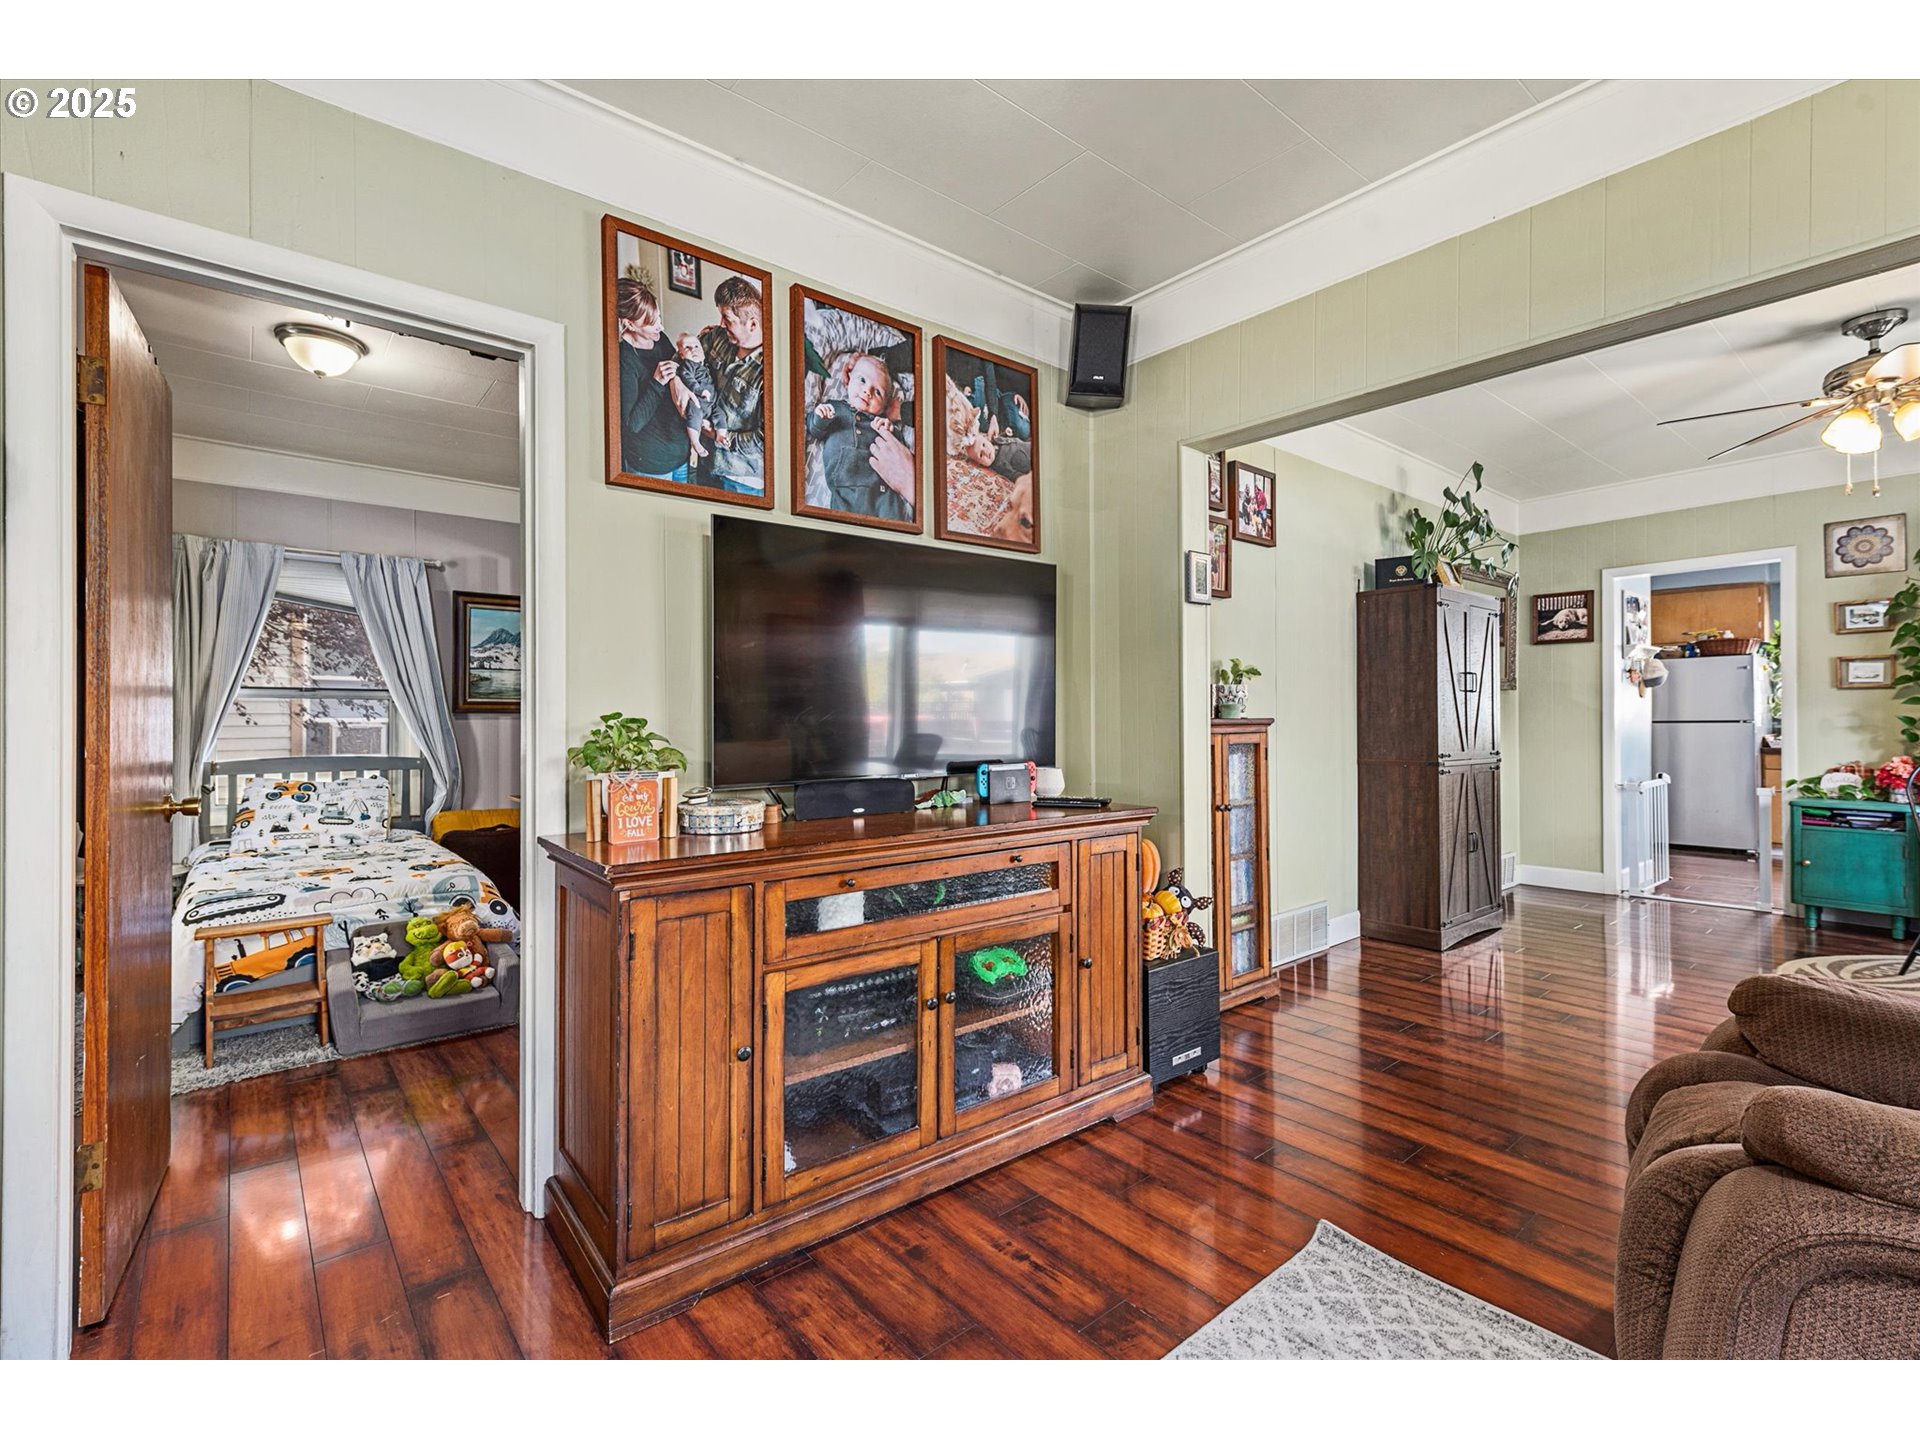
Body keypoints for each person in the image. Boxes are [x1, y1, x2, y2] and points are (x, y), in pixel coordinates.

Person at [809, 352, 913, 521]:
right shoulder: (834, 408)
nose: (868, 391)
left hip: (882, 491)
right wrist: (820, 417)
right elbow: (814, 430)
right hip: (844, 486)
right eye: (862, 380)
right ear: (848, 378)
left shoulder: (881, 422)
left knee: (895, 533)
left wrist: (891, 432)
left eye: (878, 392)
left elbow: (899, 455)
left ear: (885, 406)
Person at [615, 276, 695, 482]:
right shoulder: (623, 359)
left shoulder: (660, 339)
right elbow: (632, 424)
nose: (660, 326)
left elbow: (676, 369)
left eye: (658, 317)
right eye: (651, 323)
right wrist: (656, 382)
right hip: (651, 465)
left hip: (680, 455)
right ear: (629, 324)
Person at [698, 275, 765, 496]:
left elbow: (765, 439)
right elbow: (683, 362)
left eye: (727, 319)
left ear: (753, 324)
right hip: (703, 460)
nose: (721, 324)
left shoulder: (769, 371)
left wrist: (719, 436)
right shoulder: (716, 337)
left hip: (740, 479)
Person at [672, 332, 716, 463]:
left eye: (697, 347)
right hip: (696, 399)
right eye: (687, 348)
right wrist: (676, 380)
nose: (693, 350)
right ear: (681, 355)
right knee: (694, 411)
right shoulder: (687, 365)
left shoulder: (704, 364)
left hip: (710, 402)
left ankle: (721, 431)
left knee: (719, 414)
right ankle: (695, 442)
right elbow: (688, 378)